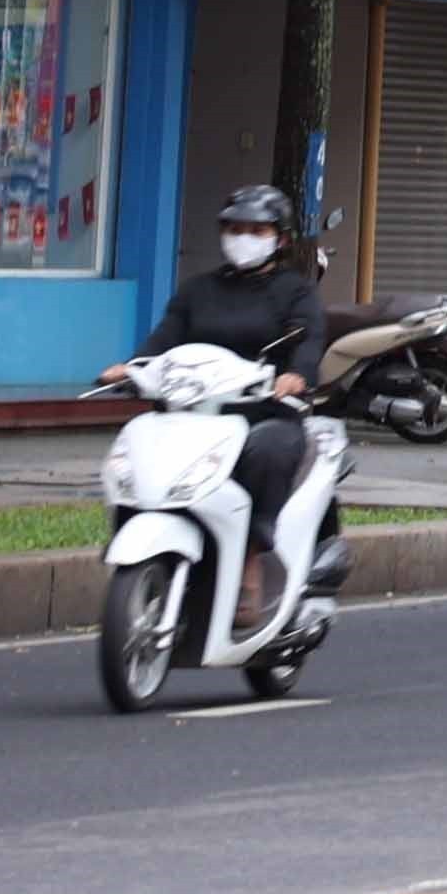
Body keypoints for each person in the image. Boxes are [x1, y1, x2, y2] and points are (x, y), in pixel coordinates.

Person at [139, 182, 332, 615]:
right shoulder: (198, 290)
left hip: (264, 412)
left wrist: (297, 375)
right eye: (235, 228)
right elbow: (166, 336)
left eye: (257, 230)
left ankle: (251, 556)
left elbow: (309, 338)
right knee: (142, 441)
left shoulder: (295, 291)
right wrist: (134, 367)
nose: (244, 238)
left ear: (280, 239)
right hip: (195, 412)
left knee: (268, 448)